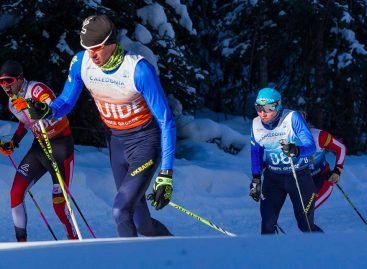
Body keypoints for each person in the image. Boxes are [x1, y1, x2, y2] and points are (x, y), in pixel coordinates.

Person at [15, 15, 175, 237]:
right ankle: (176, 251)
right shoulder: (82, 63)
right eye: (87, 47)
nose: (92, 54)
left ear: (112, 43)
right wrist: (48, 110)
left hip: (144, 143)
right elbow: (66, 101)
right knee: (142, 223)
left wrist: (166, 173)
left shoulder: (138, 70)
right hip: (116, 143)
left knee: (120, 211)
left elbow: (166, 121)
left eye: (97, 48)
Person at [0, 60, 77, 241]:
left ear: (19, 79)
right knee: (15, 193)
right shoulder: (12, 103)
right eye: (1, 82)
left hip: (60, 146)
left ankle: (74, 240)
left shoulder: (35, 88)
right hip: (40, 148)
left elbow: (50, 106)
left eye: (8, 81)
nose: (5, 86)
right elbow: (25, 122)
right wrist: (13, 142)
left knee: (59, 205)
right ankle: (22, 244)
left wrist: (28, 104)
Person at [249, 87, 322, 234]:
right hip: (273, 179)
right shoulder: (256, 124)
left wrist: (296, 150)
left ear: (278, 105)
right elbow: (256, 152)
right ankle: (271, 257)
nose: (263, 112)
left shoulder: (292, 118)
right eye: (258, 107)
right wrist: (256, 179)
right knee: (267, 226)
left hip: (299, 177)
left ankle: (328, 252)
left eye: (268, 108)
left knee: (306, 225)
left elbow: (311, 146)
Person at [300, 111, 346, 209]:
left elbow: (341, 147)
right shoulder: (284, 141)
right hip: (302, 182)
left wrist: (337, 171)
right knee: (303, 217)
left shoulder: (319, 136)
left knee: (305, 213)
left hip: (322, 179)